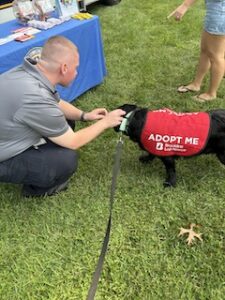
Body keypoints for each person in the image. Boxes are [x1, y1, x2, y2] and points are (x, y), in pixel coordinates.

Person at [0, 35, 125, 197]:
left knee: (66, 120)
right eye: (76, 68)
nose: (77, 73)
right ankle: (35, 189)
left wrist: (84, 115)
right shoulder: (35, 97)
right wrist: (105, 123)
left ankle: (36, 151)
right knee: (66, 160)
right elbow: (73, 142)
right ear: (64, 68)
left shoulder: (28, 71)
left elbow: (55, 103)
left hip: (8, 133)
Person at [168, 0, 225, 102]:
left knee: (216, 56)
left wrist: (185, 5)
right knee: (205, 50)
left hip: (220, 11)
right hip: (215, 10)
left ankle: (211, 93)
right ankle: (196, 84)